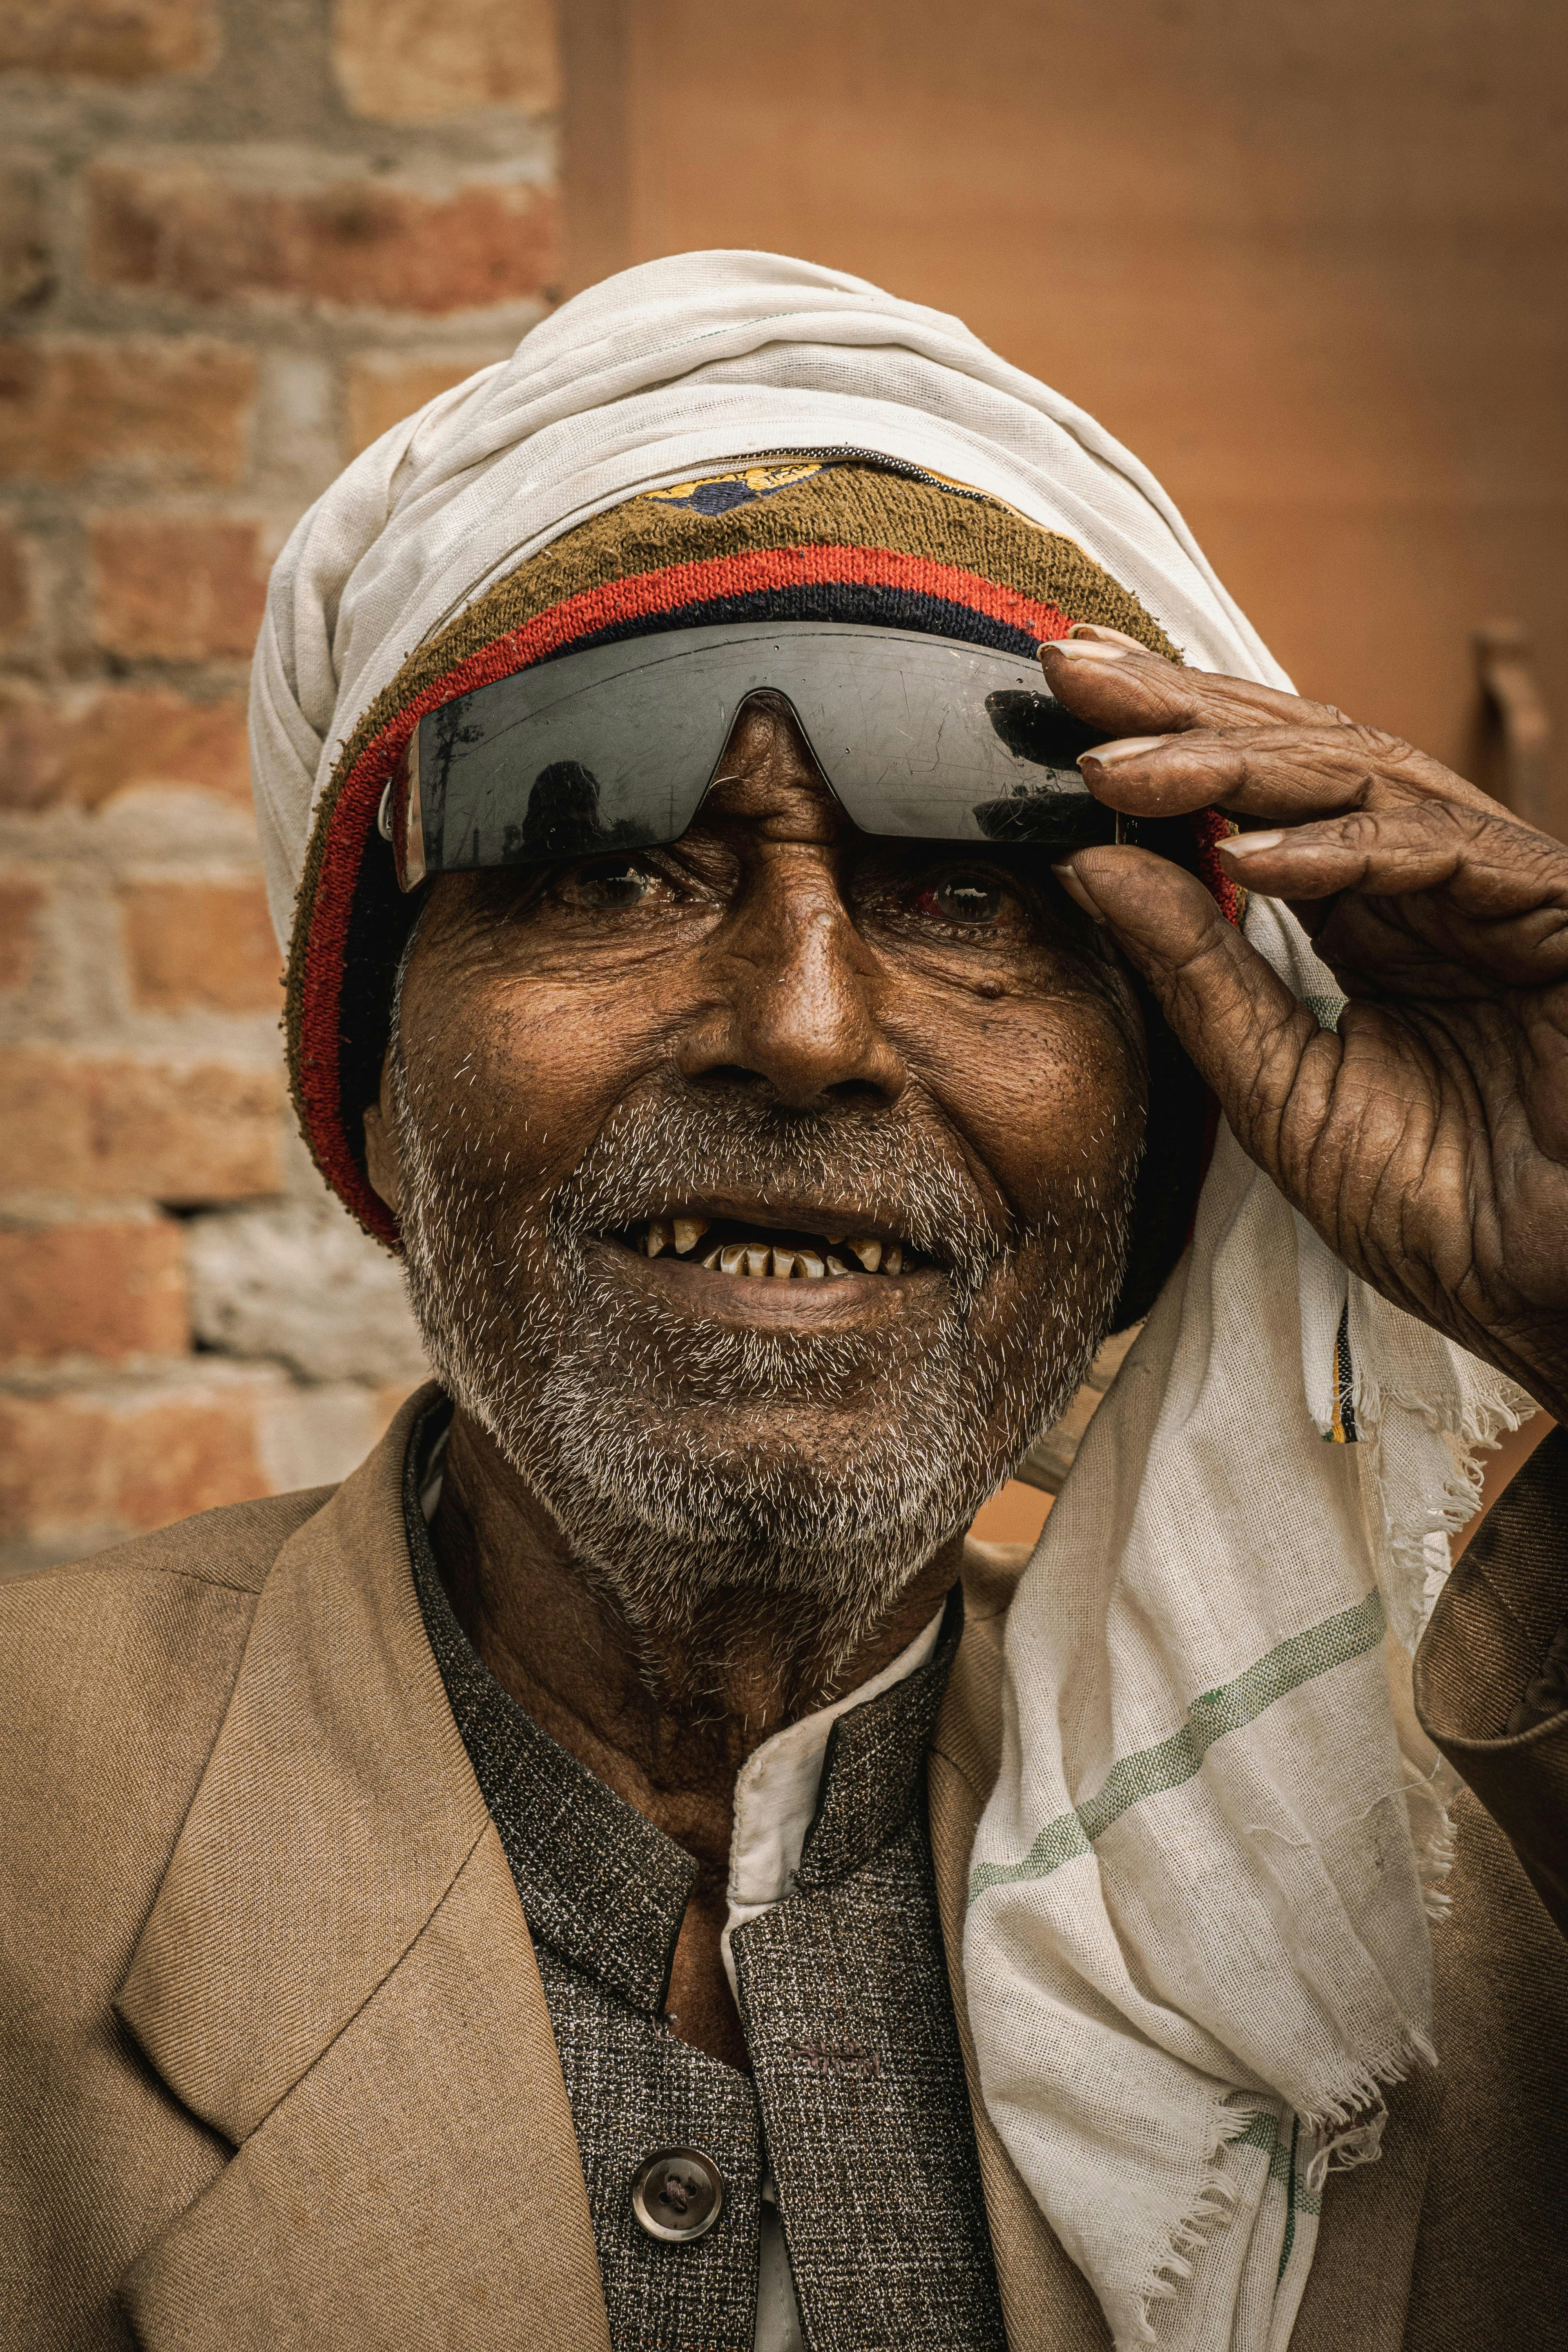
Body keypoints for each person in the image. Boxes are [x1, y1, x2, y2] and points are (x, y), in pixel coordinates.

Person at [3, 253, 1565, 2352]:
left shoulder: (1446, 1913)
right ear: (370, 1071)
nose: (808, 1025)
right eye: (612, 868)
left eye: (963, 894)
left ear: (1159, 1126)